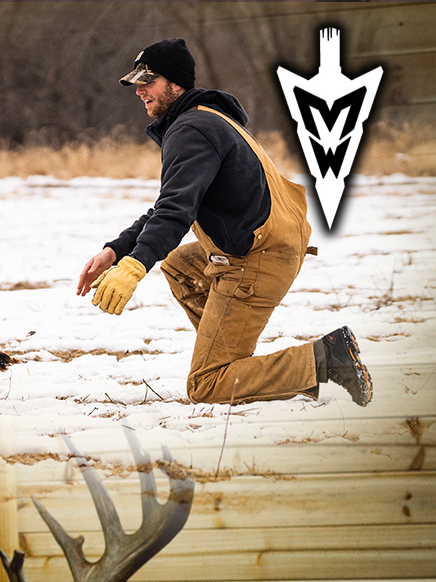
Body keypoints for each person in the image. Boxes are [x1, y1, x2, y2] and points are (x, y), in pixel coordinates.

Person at [76, 38, 371, 406]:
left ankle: (326, 358)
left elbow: (175, 209)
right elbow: (169, 206)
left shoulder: (191, 130)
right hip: (268, 243)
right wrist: (115, 251)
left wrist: (135, 267)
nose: (139, 89)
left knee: (206, 386)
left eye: (148, 80)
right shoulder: (207, 119)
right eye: (137, 81)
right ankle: (230, 354)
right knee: (181, 266)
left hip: (258, 257)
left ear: (177, 83)